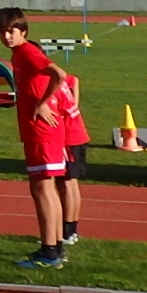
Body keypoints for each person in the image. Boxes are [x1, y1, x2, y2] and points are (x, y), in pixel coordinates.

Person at [0, 8, 71, 269]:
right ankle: (57, 246)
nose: (7, 36)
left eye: (11, 31)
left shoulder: (27, 52)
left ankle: (49, 251)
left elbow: (59, 75)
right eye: (2, 32)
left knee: (41, 188)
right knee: (46, 187)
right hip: (40, 131)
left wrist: (43, 103)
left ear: (23, 32)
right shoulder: (18, 54)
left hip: (41, 131)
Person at [57, 74, 90, 246]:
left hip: (68, 137)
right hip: (77, 133)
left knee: (67, 183)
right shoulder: (60, 78)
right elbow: (74, 79)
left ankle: (68, 232)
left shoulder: (49, 83)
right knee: (71, 183)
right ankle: (71, 230)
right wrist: (74, 102)